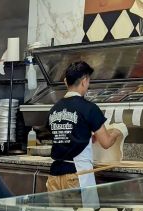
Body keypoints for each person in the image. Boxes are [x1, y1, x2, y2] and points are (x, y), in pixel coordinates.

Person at [46, 61, 125, 192]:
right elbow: (106, 143)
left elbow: (66, 134)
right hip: (77, 176)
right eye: (88, 81)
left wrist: (87, 136)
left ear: (66, 81)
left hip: (54, 176)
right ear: (84, 81)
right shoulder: (89, 108)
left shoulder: (54, 109)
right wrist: (118, 131)